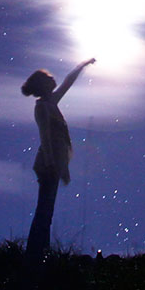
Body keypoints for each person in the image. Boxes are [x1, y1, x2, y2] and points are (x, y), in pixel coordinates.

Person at [21, 57, 95, 263]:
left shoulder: (51, 102)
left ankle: (38, 253)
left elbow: (67, 83)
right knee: (44, 209)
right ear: (42, 85)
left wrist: (81, 66)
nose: (53, 79)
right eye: (48, 78)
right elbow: (45, 137)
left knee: (47, 209)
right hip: (47, 164)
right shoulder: (43, 107)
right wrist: (52, 164)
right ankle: (36, 254)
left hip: (52, 162)